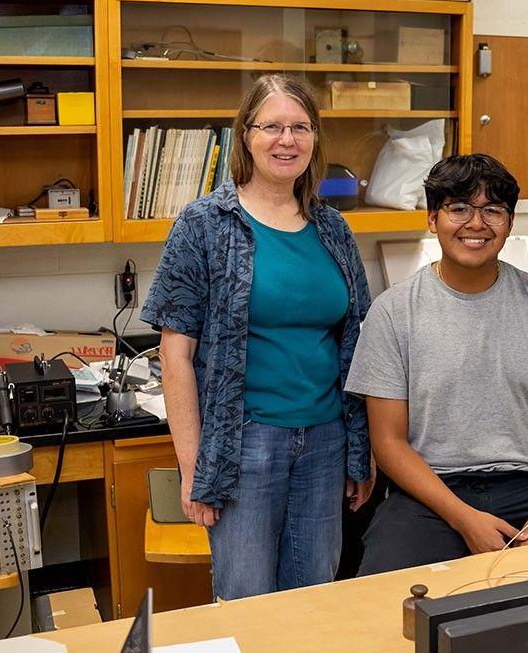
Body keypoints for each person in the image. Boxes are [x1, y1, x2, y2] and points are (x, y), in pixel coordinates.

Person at [141, 73, 374, 600]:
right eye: (272, 126)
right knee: (245, 604)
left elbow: (357, 343)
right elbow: (175, 356)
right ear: (246, 135)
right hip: (243, 447)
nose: (286, 140)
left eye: (300, 127)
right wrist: (194, 466)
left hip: (324, 442)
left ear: (315, 139)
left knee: (313, 602)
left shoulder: (333, 228)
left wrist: (359, 449)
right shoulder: (204, 224)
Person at [346, 153, 528, 575]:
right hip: (435, 495)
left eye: (492, 211)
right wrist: (465, 520)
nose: (475, 224)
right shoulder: (392, 313)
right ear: (432, 218)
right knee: (383, 586)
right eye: (458, 208)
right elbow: (389, 443)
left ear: (510, 223)